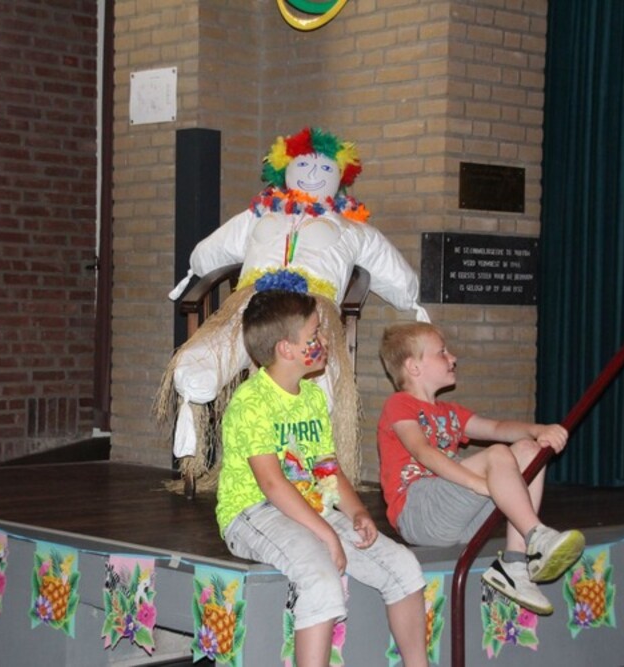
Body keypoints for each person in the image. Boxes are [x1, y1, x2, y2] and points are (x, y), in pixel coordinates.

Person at [156, 127, 428, 491]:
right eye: (303, 164)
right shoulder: (258, 215)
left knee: (319, 376)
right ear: (284, 167)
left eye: (325, 168)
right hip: (253, 302)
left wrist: (412, 301)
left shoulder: (352, 228)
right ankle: (196, 421)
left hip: (312, 310)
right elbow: (209, 252)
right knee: (200, 360)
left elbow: (393, 271)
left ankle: (308, 469)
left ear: (341, 175)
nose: (313, 173)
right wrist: (195, 269)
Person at [217, 289, 428, 667]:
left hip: (308, 507)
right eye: (315, 335)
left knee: (403, 567)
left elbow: (326, 469)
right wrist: (327, 533)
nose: (325, 341)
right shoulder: (251, 402)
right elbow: (272, 485)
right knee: (321, 579)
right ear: (286, 349)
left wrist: (357, 512)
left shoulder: (313, 398)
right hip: (253, 512)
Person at [376, 322, 584, 615]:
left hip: (457, 518)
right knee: (497, 455)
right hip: (419, 510)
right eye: (442, 352)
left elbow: (497, 428)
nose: (453, 358)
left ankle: (514, 564)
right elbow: (423, 452)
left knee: (530, 450)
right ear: (413, 367)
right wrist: (477, 484)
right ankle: (536, 535)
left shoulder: (450, 413)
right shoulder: (399, 405)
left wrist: (539, 430)